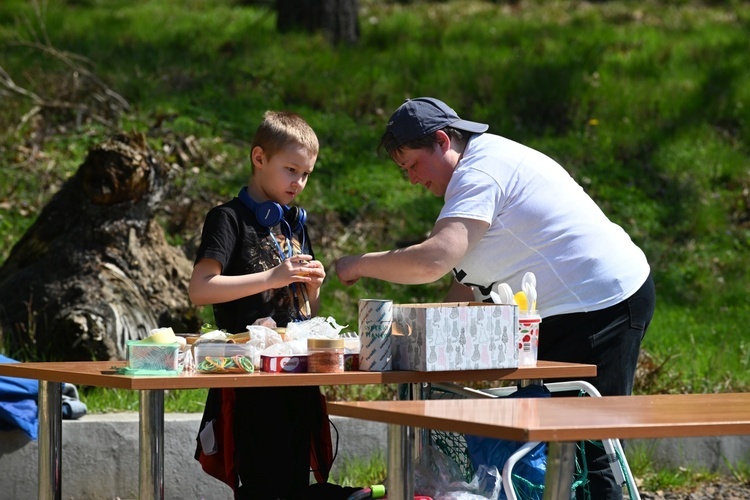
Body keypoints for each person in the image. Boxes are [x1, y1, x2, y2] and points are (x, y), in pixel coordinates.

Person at [335, 97, 656, 499]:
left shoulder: (481, 172)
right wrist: (413, 341)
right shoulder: (471, 180)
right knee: (556, 449)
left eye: (413, 165)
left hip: (603, 302)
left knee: (590, 447)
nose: (413, 180)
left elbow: (432, 260)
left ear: (441, 141)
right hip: (567, 311)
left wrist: (358, 264)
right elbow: (463, 290)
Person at [189, 110, 330, 499]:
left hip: (295, 377)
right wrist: (274, 277)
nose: (299, 183)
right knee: (263, 485)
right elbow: (200, 289)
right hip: (249, 381)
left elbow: (304, 312)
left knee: (295, 485)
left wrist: (312, 289)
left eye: (306, 174)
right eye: (290, 170)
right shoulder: (227, 219)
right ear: (259, 158)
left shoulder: (293, 224)